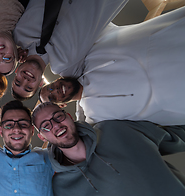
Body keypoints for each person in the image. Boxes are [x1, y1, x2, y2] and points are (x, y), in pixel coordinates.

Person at [32, 102, 185, 196]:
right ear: (42, 136)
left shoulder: (115, 129)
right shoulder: (62, 189)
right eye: (46, 125)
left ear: (69, 116)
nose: (56, 125)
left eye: (58, 116)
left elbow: (176, 138)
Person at [39, 6, 185, 126]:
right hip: (176, 94)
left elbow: (84, 14)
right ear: (61, 105)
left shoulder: (90, 52)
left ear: (57, 79)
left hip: (171, 38)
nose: (55, 90)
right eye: (52, 97)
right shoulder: (95, 117)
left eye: (50, 87)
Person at [12, 0, 128, 100]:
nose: (25, 80)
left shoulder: (18, 34)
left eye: (18, 82)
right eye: (29, 87)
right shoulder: (68, 67)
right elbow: (89, 89)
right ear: (41, 83)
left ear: (16, 70)